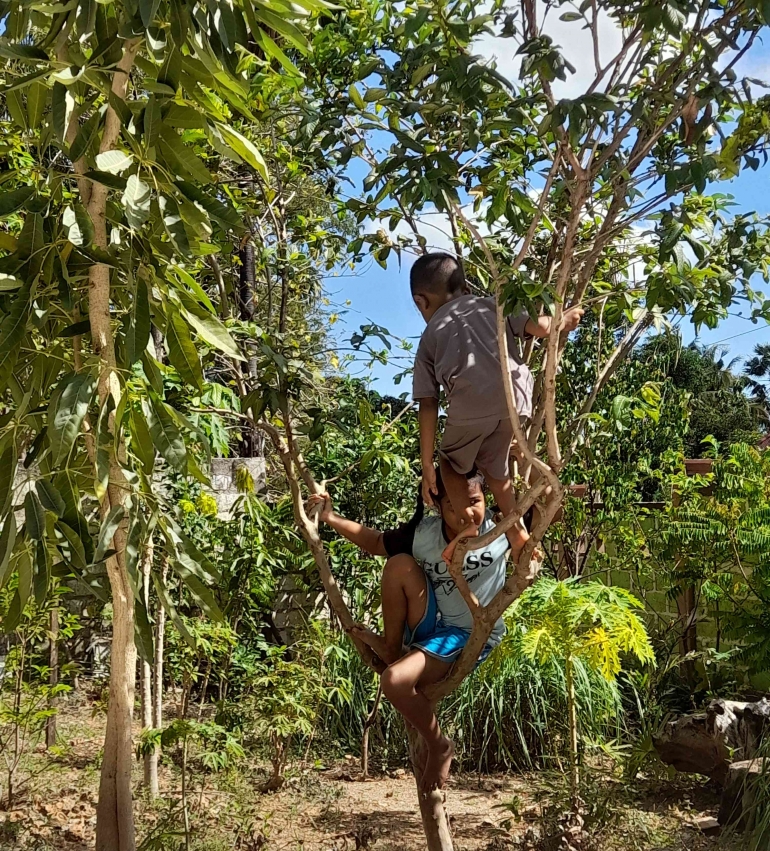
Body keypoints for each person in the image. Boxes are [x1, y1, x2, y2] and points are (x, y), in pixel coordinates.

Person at [308, 467, 512, 794]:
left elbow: (549, 513)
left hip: (468, 633)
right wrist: (330, 518)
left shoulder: (505, 530)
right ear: (437, 506)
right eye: (452, 506)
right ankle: (392, 647)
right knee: (399, 564)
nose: (465, 513)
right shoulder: (424, 534)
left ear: (486, 497)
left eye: (474, 501)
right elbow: (376, 541)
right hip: (431, 623)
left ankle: (439, 744)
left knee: (395, 680)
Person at [411, 252, 584, 564]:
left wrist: (426, 465)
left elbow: (428, 403)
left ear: (420, 302)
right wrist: (564, 320)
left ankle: (467, 523)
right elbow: (541, 327)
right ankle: (518, 537)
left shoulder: (429, 337)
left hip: (471, 403)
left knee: (449, 461)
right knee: (497, 469)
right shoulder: (493, 304)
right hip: (517, 399)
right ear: (465, 286)